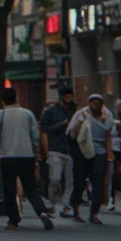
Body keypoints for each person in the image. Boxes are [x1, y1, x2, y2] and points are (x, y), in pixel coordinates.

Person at [0, 87, 55, 231]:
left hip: (7, 156)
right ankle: (42, 211)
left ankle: (13, 220)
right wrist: (34, 150)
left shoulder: (0, 115)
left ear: (2, 100)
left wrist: (0, 148)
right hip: (26, 155)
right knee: (31, 188)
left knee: (9, 189)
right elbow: (35, 135)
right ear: (17, 98)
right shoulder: (27, 113)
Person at [67, 94, 116, 224]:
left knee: (98, 182)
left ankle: (94, 213)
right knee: (80, 181)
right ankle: (76, 209)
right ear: (89, 103)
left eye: (98, 103)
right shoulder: (82, 115)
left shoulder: (107, 115)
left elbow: (109, 135)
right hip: (83, 152)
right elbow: (73, 133)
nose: (96, 105)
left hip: (100, 152)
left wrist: (109, 152)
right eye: (93, 103)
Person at [40, 84, 78, 218]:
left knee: (70, 180)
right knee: (55, 179)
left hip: (71, 149)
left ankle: (66, 205)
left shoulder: (75, 109)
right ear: (61, 96)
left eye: (70, 95)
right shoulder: (51, 111)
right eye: (66, 95)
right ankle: (53, 203)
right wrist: (61, 125)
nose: (69, 98)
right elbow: (44, 128)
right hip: (56, 148)